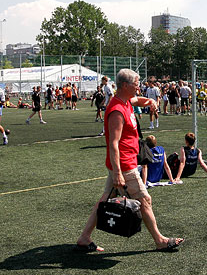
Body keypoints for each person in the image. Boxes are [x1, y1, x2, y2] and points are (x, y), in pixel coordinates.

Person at [76, 68, 183, 253]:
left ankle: (84, 237)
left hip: (124, 163)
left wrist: (149, 101)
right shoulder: (117, 109)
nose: (139, 86)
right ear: (125, 85)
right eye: (136, 83)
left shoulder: (125, 101)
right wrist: (118, 172)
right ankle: (160, 240)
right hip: (125, 165)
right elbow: (113, 143)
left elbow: (137, 100)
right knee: (145, 199)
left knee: (104, 200)